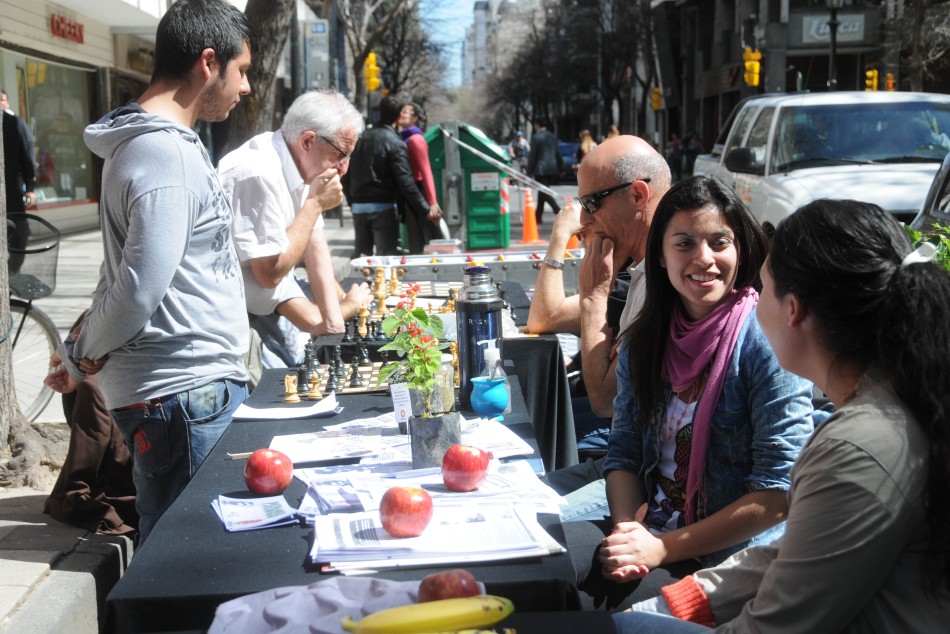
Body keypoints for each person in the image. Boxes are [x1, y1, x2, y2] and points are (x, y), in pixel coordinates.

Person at [614, 199, 950, 632]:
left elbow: (777, 624)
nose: (753, 302)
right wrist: (685, 600)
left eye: (764, 288)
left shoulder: (856, 446)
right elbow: (800, 549)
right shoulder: (888, 406)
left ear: (794, 310)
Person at [45, 0, 253, 543]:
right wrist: (80, 351)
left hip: (182, 396)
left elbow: (120, 271)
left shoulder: (154, 146)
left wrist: (77, 351)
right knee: (188, 561)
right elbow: (137, 289)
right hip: (184, 395)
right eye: (243, 71)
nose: (246, 87)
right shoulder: (163, 152)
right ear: (209, 63)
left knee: (184, 559)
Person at [561, 176, 819, 612]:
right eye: (684, 244)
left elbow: (778, 493)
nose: (705, 259)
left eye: (720, 243)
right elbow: (623, 455)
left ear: (740, 250)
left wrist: (660, 551)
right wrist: (629, 534)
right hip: (651, 531)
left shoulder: (765, 342)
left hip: (728, 560)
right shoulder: (645, 341)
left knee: (589, 614)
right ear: (659, 256)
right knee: (540, 568)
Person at [527, 135, 671, 453]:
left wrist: (593, 295)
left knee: (537, 434)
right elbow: (543, 318)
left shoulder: (669, 275)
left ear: (637, 194)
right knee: (536, 419)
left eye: (591, 203)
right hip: (637, 440)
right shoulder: (637, 266)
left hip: (646, 456)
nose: (586, 219)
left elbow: (605, 402)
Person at [218, 89, 371, 368]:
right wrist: (314, 205)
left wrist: (334, 322)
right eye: (341, 155)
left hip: (262, 305)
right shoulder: (258, 172)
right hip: (232, 324)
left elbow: (316, 247)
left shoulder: (300, 164)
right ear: (308, 141)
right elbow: (270, 274)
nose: (344, 169)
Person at [344, 95, 430, 256]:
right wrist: (426, 208)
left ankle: (361, 282)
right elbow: (405, 181)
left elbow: (346, 172)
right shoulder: (395, 142)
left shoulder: (360, 138)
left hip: (358, 206)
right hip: (383, 207)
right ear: (398, 116)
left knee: (362, 259)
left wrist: (351, 201)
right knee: (386, 259)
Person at [398, 101, 445, 247]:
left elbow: (426, 171)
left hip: (419, 192)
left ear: (415, 118)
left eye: (405, 111)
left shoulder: (415, 139)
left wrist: (432, 202)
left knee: (422, 237)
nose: (401, 113)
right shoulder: (404, 137)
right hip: (410, 191)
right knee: (415, 235)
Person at [3, 107, 36, 273]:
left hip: (12, 191)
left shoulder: (13, 122)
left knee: (19, 237)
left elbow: (27, 153)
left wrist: (30, 187)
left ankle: (11, 275)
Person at [526, 118, 563, 224]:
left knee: (545, 192)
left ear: (537, 125)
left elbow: (533, 156)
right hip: (552, 168)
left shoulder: (535, 137)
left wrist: (529, 170)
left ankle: (559, 212)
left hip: (540, 169)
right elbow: (558, 153)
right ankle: (537, 217)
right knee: (542, 192)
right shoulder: (552, 136)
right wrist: (561, 167)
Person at [1, 89, 36, 172]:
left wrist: (30, 176)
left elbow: (28, 148)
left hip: (14, 174)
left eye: (2, 100)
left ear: (7, 103)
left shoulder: (17, 123)